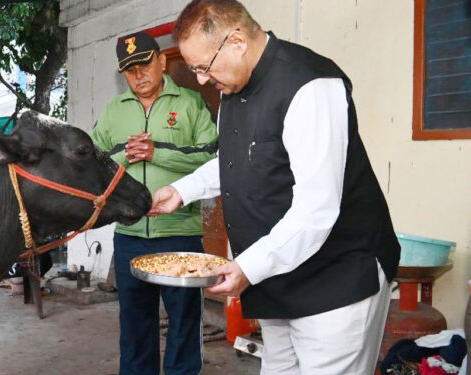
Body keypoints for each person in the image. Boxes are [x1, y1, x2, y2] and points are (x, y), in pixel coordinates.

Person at [148, 1, 401, 373]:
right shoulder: (232, 88)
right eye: (194, 69)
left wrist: (246, 266)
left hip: (335, 280)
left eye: (203, 67)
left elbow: (317, 211)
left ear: (236, 41)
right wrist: (183, 190)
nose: (200, 80)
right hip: (276, 279)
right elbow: (238, 161)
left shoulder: (310, 85)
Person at [91, 31, 217, 375]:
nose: (138, 75)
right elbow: (92, 160)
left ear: (162, 61)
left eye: (144, 64)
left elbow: (212, 157)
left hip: (181, 235)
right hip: (130, 235)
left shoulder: (190, 103)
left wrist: (156, 151)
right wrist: (125, 154)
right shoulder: (113, 111)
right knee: (135, 328)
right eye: (129, 70)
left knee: (183, 327)